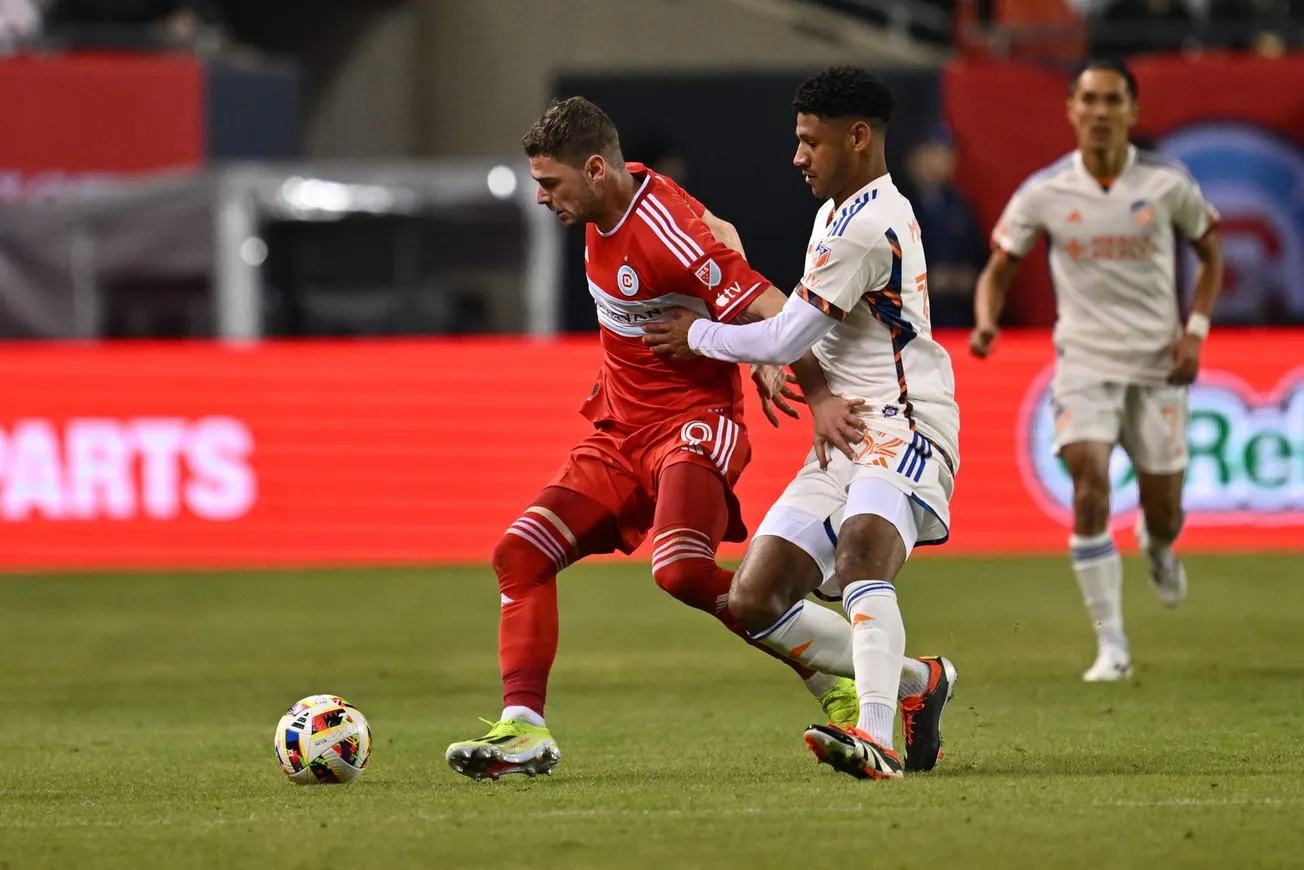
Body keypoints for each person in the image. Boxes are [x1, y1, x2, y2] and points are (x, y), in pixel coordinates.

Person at [445, 96, 871, 782]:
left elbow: (767, 300)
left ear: (592, 170)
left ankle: (848, 664)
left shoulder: (659, 233)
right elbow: (723, 231)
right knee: (519, 554)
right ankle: (523, 730)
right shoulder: (623, 186)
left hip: (695, 425)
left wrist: (810, 388)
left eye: (550, 184)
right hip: (619, 428)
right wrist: (754, 351)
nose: (542, 198)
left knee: (678, 570)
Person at [644, 67, 960, 781]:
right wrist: (787, 361)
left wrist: (700, 336)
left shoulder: (869, 223)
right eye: (797, 140)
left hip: (904, 422)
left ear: (857, 138)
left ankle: (877, 736)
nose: (797, 156)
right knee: (754, 599)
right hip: (846, 430)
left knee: (860, 559)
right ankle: (916, 683)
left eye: (810, 141)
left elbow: (786, 335)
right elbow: (807, 332)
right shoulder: (835, 214)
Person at [970, 58, 1223, 682]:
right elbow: (999, 266)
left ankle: (1160, 546)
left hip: (1157, 362)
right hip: (1083, 359)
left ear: (1133, 111)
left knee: (1163, 510)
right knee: (1089, 480)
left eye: (1114, 100)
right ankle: (1112, 646)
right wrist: (985, 320)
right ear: (1072, 109)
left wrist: (1194, 333)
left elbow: (1211, 255)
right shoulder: (1045, 191)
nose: (1102, 112)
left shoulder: (1168, 184)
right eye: (1090, 100)